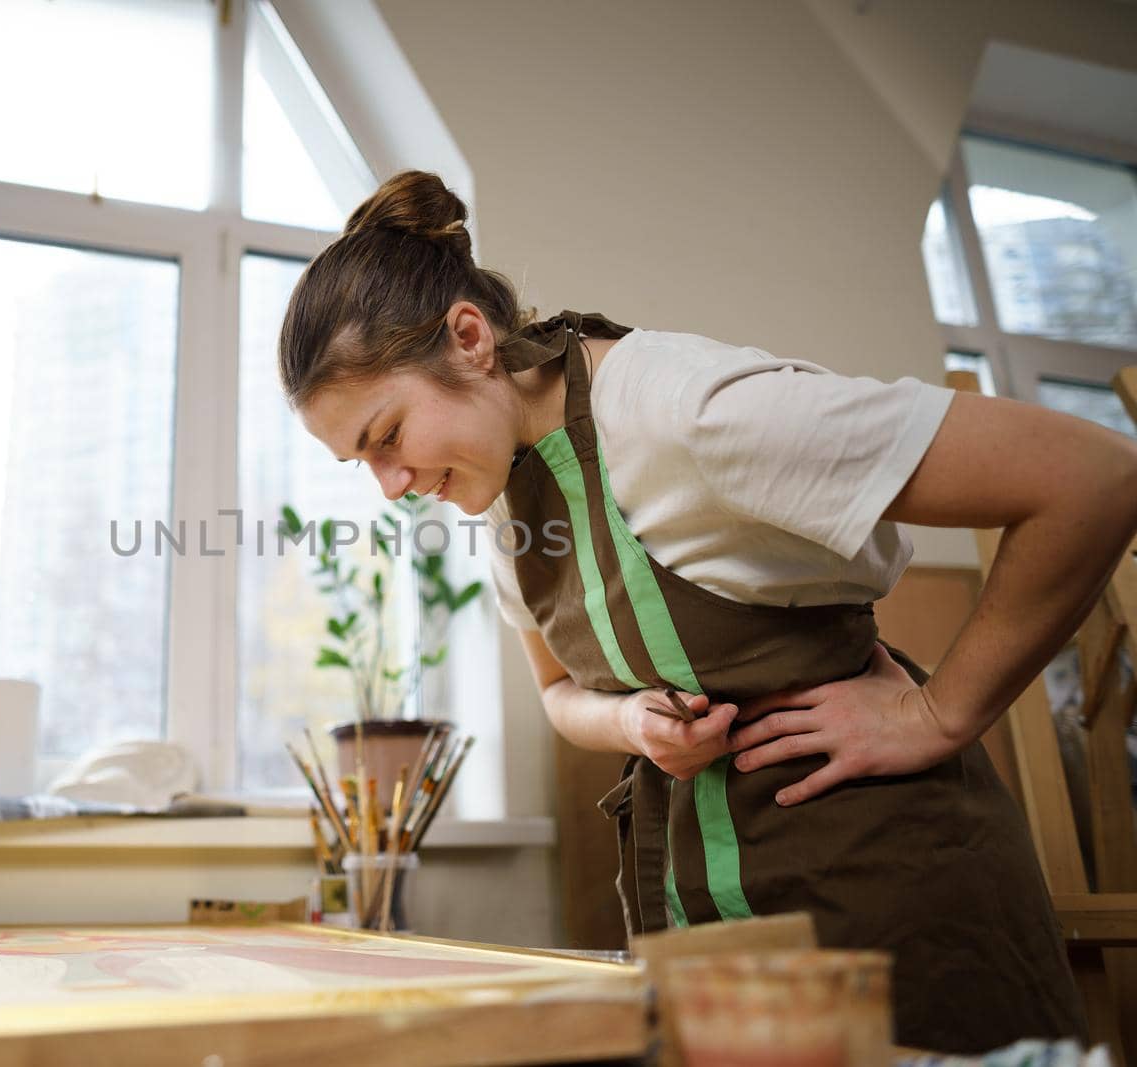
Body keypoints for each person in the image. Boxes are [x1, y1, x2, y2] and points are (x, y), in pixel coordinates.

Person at [278, 171, 1137, 1053]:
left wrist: (938, 710)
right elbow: (556, 693)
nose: (391, 485)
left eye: (387, 435)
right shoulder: (503, 498)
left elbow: (1093, 479)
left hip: (894, 912)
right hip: (712, 943)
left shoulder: (687, 412)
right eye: (361, 462)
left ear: (468, 339)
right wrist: (627, 720)